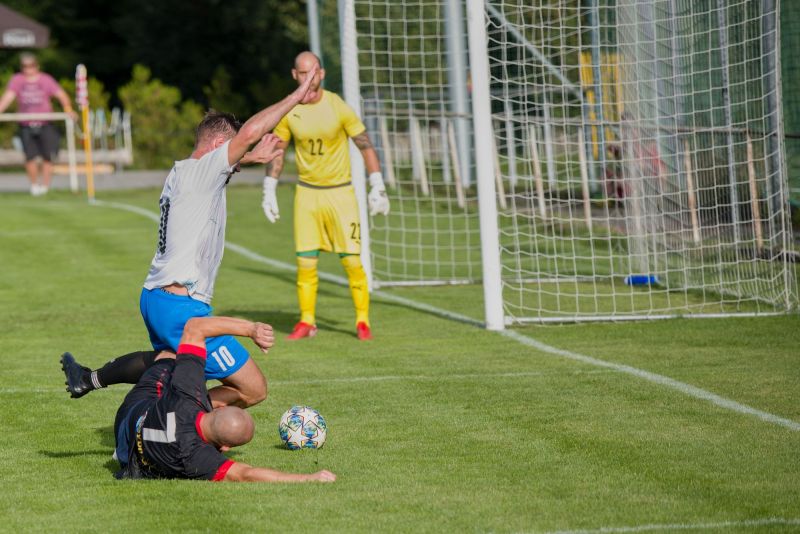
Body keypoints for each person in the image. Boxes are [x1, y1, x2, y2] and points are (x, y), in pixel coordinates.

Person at [61, 67, 320, 409]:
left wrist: (251, 157)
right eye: (233, 148)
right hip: (182, 308)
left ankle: (89, 379)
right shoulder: (202, 172)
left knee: (165, 360)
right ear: (217, 146)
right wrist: (296, 96)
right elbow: (252, 132)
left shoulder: (183, 172)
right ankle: (167, 422)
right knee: (253, 389)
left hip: (154, 297)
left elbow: (226, 164)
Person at [109, 315, 335, 482]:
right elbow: (246, 474)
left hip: (133, 412)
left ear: (215, 409)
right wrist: (308, 478)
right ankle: (91, 379)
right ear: (225, 447)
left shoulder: (189, 395)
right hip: (127, 455)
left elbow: (194, 327)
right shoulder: (197, 457)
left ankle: (93, 378)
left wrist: (250, 329)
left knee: (169, 356)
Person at [261, 51, 390, 342]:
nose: (309, 78)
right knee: (305, 262)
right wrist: (269, 187)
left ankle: (362, 321)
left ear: (322, 73)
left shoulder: (338, 106)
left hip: (340, 194)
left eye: (314, 72)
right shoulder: (289, 110)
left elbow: (365, 145)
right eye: (303, 73)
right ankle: (307, 321)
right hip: (307, 196)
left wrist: (377, 184)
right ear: (295, 75)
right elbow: (278, 150)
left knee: (353, 262)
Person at [0, 52, 76, 196]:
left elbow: (61, 95)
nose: (28, 69)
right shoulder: (17, 80)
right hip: (26, 124)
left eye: (31, 66)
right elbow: (7, 98)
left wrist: (68, 109)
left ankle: (45, 188)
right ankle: (34, 187)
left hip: (46, 123)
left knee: (48, 157)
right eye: (25, 66)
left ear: (37, 66)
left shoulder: (46, 79)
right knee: (30, 157)